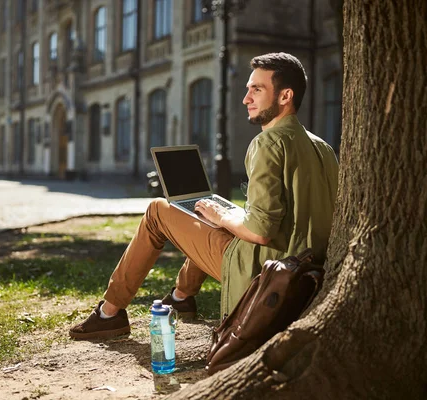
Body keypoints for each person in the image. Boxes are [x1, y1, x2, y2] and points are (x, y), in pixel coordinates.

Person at [69, 52, 339, 340]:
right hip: (303, 269)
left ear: (285, 96)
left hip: (262, 272)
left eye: (257, 89)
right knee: (205, 213)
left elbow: (260, 232)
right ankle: (181, 296)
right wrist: (223, 216)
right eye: (248, 89)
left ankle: (109, 313)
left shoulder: (267, 143)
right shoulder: (322, 146)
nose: (246, 98)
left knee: (158, 210)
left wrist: (223, 216)